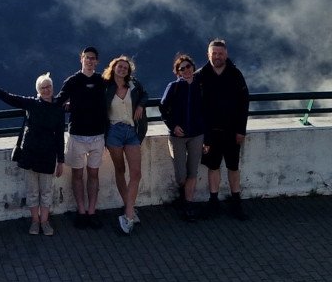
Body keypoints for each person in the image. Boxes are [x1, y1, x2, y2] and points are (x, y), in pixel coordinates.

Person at [0, 70, 67, 235]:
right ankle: (35, 221)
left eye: (49, 86)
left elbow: (60, 136)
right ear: (38, 90)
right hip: (31, 153)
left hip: (48, 155)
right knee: (33, 191)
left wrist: (61, 160)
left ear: (53, 88)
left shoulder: (58, 109)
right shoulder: (32, 103)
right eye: (43, 87)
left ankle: (44, 222)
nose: (46, 90)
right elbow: (10, 98)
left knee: (46, 191)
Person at [197, 38, 250, 220]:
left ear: (226, 54)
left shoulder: (235, 74)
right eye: (214, 53)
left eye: (220, 53)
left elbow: (244, 103)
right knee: (213, 166)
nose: (217, 56)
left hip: (232, 130)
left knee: (233, 166)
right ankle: (214, 202)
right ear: (208, 54)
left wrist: (241, 130)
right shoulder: (200, 75)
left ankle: (236, 202)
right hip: (210, 133)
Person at [59, 46, 111, 228]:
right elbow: (58, 101)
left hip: (97, 134)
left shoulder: (102, 81)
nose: (89, 61)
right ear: (81, 59)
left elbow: (123, 88)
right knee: (77, 175)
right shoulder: (72, 81)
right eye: (86, 57)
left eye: (92, 58)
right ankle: (81, 212)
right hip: (77, 135)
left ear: (97, 61)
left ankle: (92, 211)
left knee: (94, 175)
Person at [101, 55, 148, 234]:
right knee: (120, 170)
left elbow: (145, 94)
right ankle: (130, 210)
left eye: (125, 68)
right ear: (113, 68)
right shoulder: (105, 86)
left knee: (136, 173)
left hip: (131, 131)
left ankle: (128, 212)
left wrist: (141, 105)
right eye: (119, 67)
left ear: (128, 71)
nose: (122, 69)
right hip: (113, 132)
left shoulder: (134, 85)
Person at [159, 52, 205, 221]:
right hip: (177, 136)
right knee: (181, 174)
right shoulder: (174, 87)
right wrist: (173, 126)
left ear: (193, 68)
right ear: (177, 72)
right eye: (182, 68)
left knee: (193, 171)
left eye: (188, 67)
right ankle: (184, 199)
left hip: (197, 134)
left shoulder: (200, 85)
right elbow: (163, 108)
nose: (186, 70)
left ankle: (188, 204)